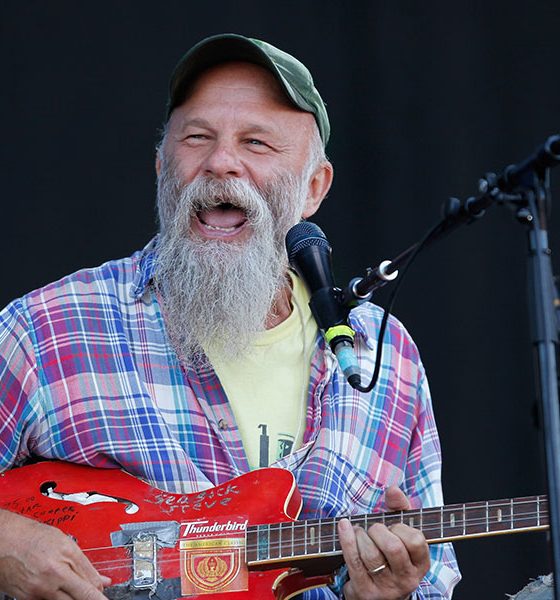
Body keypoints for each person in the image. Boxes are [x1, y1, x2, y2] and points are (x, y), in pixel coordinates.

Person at [0, 34, 460, 599]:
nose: (221, 162)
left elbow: (433, 579)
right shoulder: (49, 328)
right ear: (161, 165)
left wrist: (389, 594)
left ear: (314, 187)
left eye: (257, 143)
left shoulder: (383, 355)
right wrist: (7, 543)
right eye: (197, 137)